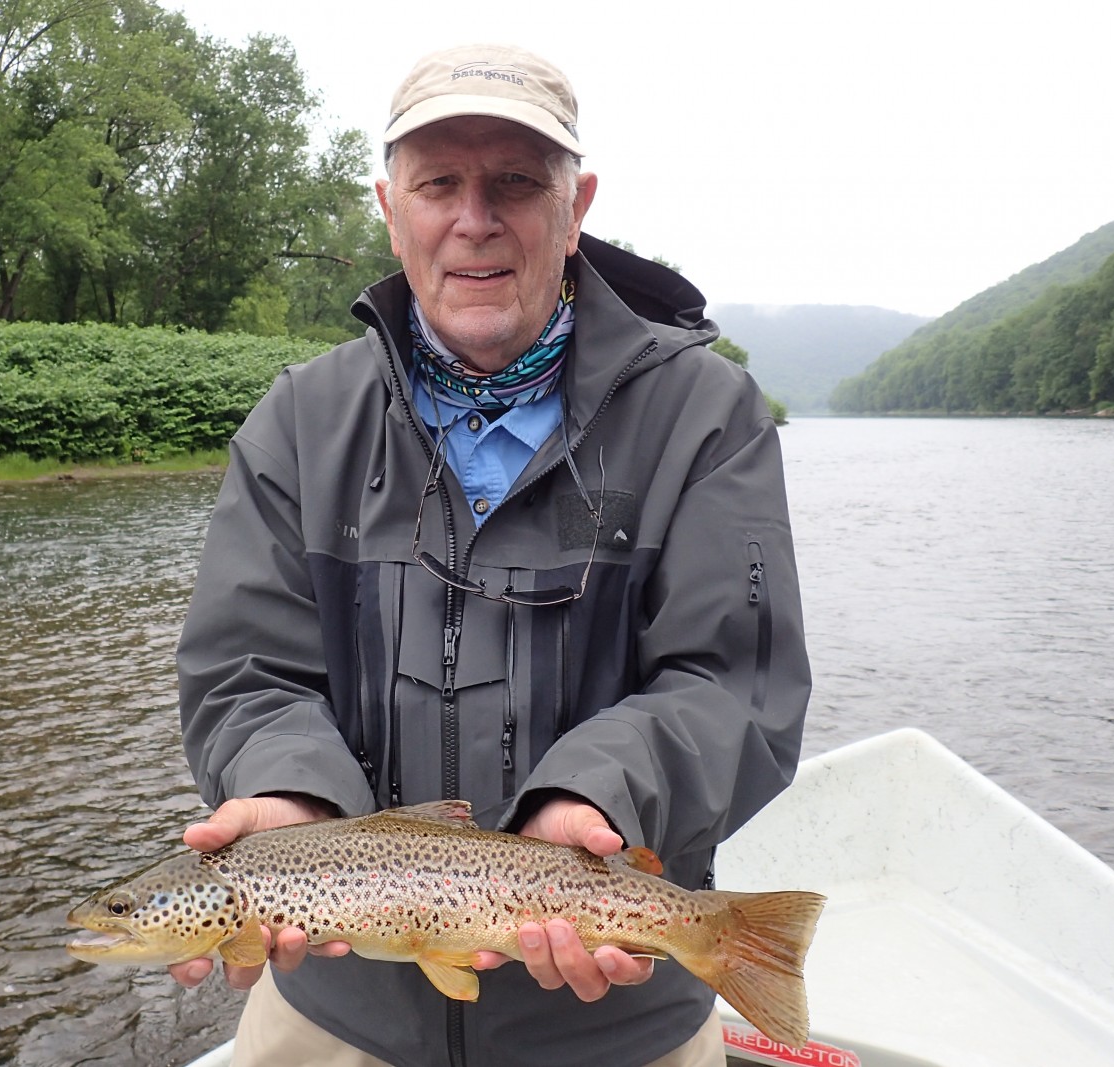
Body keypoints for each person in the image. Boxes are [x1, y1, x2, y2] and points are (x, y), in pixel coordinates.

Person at [171, 42, 811, 1067]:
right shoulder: (300, 420)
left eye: (515, 181)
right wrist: (295, 804)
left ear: (576, 204)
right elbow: (247, 672)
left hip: (616, 1027)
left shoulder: (705, 416)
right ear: (390, 207)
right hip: (337, 1015)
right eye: (438, 184)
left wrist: (599, 800)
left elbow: (731, 681)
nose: (474, 219)